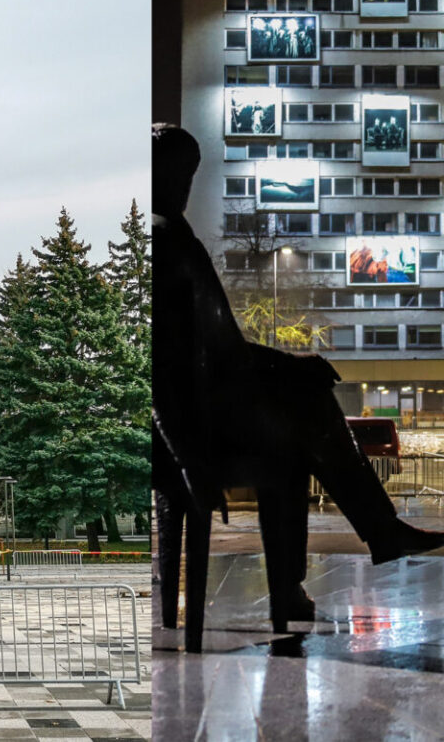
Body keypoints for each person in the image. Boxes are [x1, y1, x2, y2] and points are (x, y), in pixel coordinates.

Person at [153, 125, 444, 622]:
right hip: (194, 421)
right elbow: (200, 358)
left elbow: (222, 346)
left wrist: (290, 364)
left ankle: (330, 563)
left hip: (198, 411)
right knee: (302, 414)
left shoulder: (170, 238)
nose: (185, 185)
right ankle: (372, 533)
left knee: (299, 417)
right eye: (178, 173)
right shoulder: (167, 243)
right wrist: (184, 457)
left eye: (189, 175)